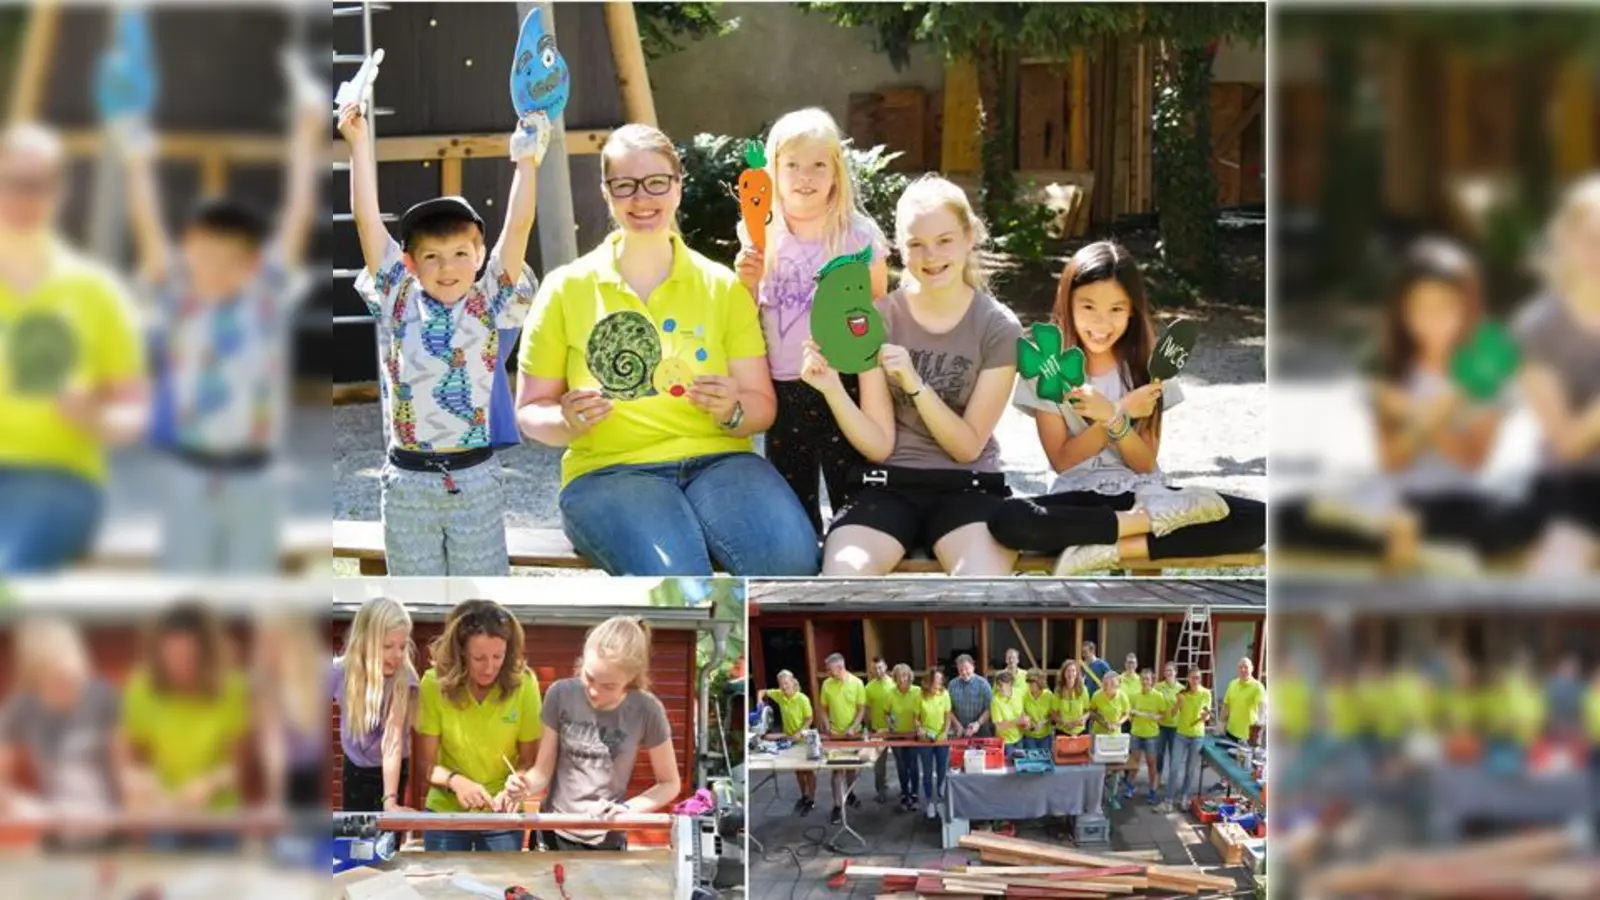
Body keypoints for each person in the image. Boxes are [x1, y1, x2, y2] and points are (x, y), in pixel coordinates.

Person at [516, 124, 817, 576]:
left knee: (791, 561)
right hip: (610, 473)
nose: (642, 199)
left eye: (657, 182)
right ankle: (703, 649)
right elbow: (529, 410)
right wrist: (565, 420)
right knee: (678, 580)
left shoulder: (722, 287)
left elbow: (761, 408)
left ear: (678, 186)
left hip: (721, 462)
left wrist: (732, 410)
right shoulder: (565, 289)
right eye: (625, 185)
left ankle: (774, 649)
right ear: (606, 192)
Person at [115, 56, 323, 573]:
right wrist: (137, 161)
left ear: (252, 260)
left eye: (228, 257)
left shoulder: (265, 298)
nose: (212, 266)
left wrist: (306, 135)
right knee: (184, 594)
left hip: (255, 474)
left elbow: (297, 215)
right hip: (188, 472)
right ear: (187, 253)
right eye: (200, 253)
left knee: (249, 594)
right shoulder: (178, 300)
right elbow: (148, 226)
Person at [338, 94, 544, 576]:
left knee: (482, 602)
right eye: (431, 256)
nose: (446, 267)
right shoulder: (398, 298)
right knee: (416, 606)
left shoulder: (490, 300)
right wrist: (358, 142)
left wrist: (526, 161)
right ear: (409, 263)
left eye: (459, 254)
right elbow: (367, 221)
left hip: (474, 479)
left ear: (479, 256)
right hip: (408, 482)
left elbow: (519, 226)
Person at [987, 241, 1263, 574]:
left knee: (1256, 520)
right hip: (1078, 501)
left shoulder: (1152, 365)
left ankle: (1110, 548)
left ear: (1132, 309)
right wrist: (1115, 414)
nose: (1102, 323)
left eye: (1116, 309)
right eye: (1088, 307)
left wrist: (1114, 417)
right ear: (1067, 302)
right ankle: (1134, 529)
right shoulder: (1047, 364)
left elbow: (1144, 463)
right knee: (1009, 520)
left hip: (1144, 493)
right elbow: (1062, 460)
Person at [1277, 238, 1544, 570]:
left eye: (1445, 307)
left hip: (1461, 500)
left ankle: (1401, 544)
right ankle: (1404, 543)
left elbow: (1470, 459)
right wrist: (1425, 412)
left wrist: (1417, 412)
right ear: (1403, 311)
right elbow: (1392, 461)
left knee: (1520, 518)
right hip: (1401, 500)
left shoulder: (1482, 368)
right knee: (1286, 516)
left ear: (1466, 309)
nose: (1432, 320)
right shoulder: (1392, 370)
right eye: (1420, 308)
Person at [808, 176, 1023, 574]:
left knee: (981, 584)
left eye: (944, 240)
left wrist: (914, 383)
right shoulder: (878, 318)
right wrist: (832, 388)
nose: (931, 255)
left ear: (969, 236)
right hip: (886, 485)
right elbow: (878, 445)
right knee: (842, 575)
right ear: (898, 249)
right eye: (916, 244)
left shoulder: (999, 327)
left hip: (968, 488)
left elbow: (967, 447)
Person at [733, 108, 890, 535]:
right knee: (791, 492)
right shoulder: (759, 232)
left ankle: (850, 562)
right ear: (773, 172)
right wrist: (745, 281)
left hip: (844, 381)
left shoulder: (857, 235)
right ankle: (800, 568)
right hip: (783, 384)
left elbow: (879, 301)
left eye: (818, 164)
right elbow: (744, 313)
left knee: (850, 490)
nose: (806, 176)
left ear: (836, 172)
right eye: (793, 165)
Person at [0, 123, 148, 573]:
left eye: (40, 185)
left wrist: (92, 415)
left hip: (60, 479)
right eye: (14, 183)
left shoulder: (94, 290)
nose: (26, 197)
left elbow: (134, 417)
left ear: (59, 192)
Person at [506, 616, 679, 851]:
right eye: (588, 677)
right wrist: (524, 786)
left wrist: (628, 809)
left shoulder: (647, 710)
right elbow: (542, 772)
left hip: (606, 837)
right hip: (552, 831)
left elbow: (670, 783)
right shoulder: (560, 694)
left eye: (609, 686)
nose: (594, 692)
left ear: (631, 679)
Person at [1516, 175, 1600, 574]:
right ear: (1566, 239)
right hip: (1574, 488)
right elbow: (1568, 444)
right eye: (1592, 239)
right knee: (1558, 570)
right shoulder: (1537, 327)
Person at [118, 601, 250, 850]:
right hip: (166, 815)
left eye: (189, 657)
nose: (180, 666)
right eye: (171, 656)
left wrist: (208, 784)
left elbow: (235, 769)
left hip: (218, 817)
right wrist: (146, 787)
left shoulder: (231, 687)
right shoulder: (141, 687)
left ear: (207, 656)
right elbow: (128, 765)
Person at [413, 600, 542, 852]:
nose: (490, 667)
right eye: (479, 658)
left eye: (498, 656)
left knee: (501, 887)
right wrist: (456, 781)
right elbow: (425, 766)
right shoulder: (432, 683)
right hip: (445, 810)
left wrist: (517, 785)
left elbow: (528, 760)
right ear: (460, 652)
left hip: (502, 809)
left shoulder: (525, 683)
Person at [0, 617, 122, 848]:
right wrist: (15, 804)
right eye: (55, 681)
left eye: (74, 680)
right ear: (35, 679)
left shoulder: (103, 697)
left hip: (107, 827)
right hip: (58, 830)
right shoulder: (22, 707)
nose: (67, 689)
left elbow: (123, 770)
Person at [331, 596, 418, 813]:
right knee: (357, 839)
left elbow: (392, 738)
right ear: (364, 642)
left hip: (392, 767)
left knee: (386, 838)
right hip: (355, 768)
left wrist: (390, 802)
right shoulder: (340, 671)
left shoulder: (403, 678)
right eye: (387, 646)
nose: (397, 655)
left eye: (402, 646)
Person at [254, 612, 326, 814]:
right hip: (278, 783)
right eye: (265, 642)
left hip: (313, 782)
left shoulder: (320, 676)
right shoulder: (264, 683)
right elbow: (272, 748)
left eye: (277, 642)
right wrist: (275, 801)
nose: (269, 651)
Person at [814, 653, 865, 825]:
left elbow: (861, 709)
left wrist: (853, 726)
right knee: (836, 771)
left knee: (852, 769)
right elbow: (823, 708)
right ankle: (837, 806)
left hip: (853, 734)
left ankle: (850, 794)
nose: (827, 672)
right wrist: (826, 722)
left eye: (830, 669)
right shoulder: (827, 685)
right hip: (834, 735)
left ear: (840, 668)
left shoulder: (857, 683)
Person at [760, 670, 815, 815]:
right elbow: (763, 691)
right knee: (798, 770)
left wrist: (800, 732)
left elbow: (809, 719)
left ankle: (811, 799)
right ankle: (803, 796)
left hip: (803, 739)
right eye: (781, 684)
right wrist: (760, 702)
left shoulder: (802, 699)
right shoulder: (779, 695)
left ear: (793, 682)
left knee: (808, 770)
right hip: (790, 739)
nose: (784, 687)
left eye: (786, 683)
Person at [1165, 668, 1212, 811]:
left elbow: (1206, 713)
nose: (1195, 681)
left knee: (1190, 770)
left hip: (1197, 736)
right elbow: (1172, 714)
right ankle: (1168, 799)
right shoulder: (1182, 694)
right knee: (1174, 767)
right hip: (1181, 734)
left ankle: (1184, 796)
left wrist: (1205, 716)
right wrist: (1178, 704)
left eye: (1198, 678)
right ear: (1188, 679)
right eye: (1192, 678)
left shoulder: (1206, 693)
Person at [916, 669, 958, 820]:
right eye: (937, 681)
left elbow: (948, 716)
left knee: (942, 770)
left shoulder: (945, 694)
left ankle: (940, 798)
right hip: (925, 739)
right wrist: (920, 729)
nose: (940, 683)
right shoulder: (920, 696)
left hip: (941, 738)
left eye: (941, 681)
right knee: (927, 772)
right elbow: (916, 717)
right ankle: (929, 801)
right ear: (930, 681)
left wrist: (945, 732)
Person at [883, 664, 924, 813]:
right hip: (897, 735)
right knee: (901, 765)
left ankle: (915, 794)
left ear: (910, 676)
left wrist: (920, 727)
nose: (903, 678)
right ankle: (904, 793)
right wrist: (890, 723)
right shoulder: (890, 693)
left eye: (905, 675)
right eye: (900, 675)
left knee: (913, 765)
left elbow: (922, 712)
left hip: (913, 734)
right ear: (895, 678)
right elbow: (886, 713)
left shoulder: (917, 691)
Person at [1127, 669, 1170, 804]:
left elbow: (1163, 715)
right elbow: (1129, 714)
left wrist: (1153, 716)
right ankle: (1130, 787)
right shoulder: (1135, 696)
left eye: (1148, 679)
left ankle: (1152, 791)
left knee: (1152, 764)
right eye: (1143, 679)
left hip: (1151, 735)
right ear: (1140, 680)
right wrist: (1132, 715)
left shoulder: (1158, 696)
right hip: (1136, 733)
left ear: (1152, 681)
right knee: (1134, 763)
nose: (1145, 681)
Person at [1090, 672, 1132, 798]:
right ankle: (1098, 795)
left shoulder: (1122, 696)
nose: (1109, 685)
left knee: (1115, 768)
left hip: (1115, 736)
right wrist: (1102, 721)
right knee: (1098, 767)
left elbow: (1126, 713)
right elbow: (1092, 712)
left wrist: (1118, 723)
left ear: (1117, 684)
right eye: (1107, 683)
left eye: (1113, 683)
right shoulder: (1097, 695)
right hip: (1099, 735)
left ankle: (1112, 796)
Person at [861, 657, 895, 802]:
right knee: (879, 764)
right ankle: (881, 790)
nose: (878, 671)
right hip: (877, 729)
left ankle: (906, 791)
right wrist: (868, 727)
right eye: (875, 668)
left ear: (886, 666)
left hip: (895, 730)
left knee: (902, 762)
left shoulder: (894, 684)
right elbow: (867, 709)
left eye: (880, 667)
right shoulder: (869, 688)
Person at [1153, 662, 1183, 806]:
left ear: (1176, 672)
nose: (1168, 672)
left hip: (1176, 727)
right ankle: (1158, 778)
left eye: (1171, 670)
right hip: (1161, 726)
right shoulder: (1158, 687)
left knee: (1174, 755)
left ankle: (1171, 782)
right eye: (1166, 670)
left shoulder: (1182, 689)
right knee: (1159, 753)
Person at [1221, 658, 1266, 747]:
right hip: (1230, 733)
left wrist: (1258, 732)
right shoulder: (1232, 684)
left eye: (1246, 667)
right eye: (1240, 667)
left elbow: (1262, 710)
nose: (1243, 670)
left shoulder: (1258, 687)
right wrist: (1222, 724)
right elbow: (1226, 706)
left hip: (1247, 737)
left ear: (1252, 668)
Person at [949, 654, 993, 738]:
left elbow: (990, 708)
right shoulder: (952, 685)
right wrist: (957, 725)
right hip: (960, 730)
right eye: (960, 670)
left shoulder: (983, 684)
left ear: (973, 667)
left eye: (966, 668)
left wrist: (978, 723)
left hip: (981, 730)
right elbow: (948, 709)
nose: (964, 672)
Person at [1053, 661, 1091, 738]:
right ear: (1064, 673)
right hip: (1062, 731)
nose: (1071, 674)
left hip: (1080, 731)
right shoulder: (1058, 690)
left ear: (1077, 673)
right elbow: (1053, 714)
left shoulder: (1083, 689)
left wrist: (1084, 718)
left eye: (1073, 671)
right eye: (1068, 671)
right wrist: (1064, 722)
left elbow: (1088, 711)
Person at [1021, 669, 1056, 752]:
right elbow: (1022, 714)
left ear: (1040, 681)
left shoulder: (1049, 695)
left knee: (1044, 760)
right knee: (1031, 761)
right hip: (1029, 736)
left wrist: (1044, 722)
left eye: (1032, 681)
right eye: (1028, 680)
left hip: (1045, 736)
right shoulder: (1024, 696)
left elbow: (1053, 716)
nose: (1029, 683)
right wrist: (1029, 722)